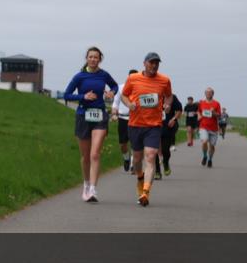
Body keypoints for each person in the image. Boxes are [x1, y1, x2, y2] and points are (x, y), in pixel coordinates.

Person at [62, 47, 119, 202]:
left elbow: (115, 86)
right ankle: (86, 184)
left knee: (95, 154)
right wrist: (83, 96)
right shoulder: (79, 76)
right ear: (86, 58)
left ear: (100, 59)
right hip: (83, 116)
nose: (93, 59)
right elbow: (66, 94)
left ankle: (93, 189)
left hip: (100, 115)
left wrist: (111, 93)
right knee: (85, 156)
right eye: (91, 57)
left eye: (96, 57)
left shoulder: (104, 75)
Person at [120, 52, 173, 206]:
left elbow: (169, 96)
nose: (154, 65)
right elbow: (124, 95)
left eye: (156, 63)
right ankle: (140, 177)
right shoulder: (133, 78)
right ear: (144, 63)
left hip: (154, 126)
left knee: (150, 157)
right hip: (135, 124)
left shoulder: (164, 80)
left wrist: (168, 104)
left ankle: (145, 192)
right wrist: (128, 104)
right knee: (137, 159)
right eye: (151, 62)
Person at [111, 68, 139, 173]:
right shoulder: (120, 88)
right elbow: (115, 103)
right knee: (123, 144)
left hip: (136, 118)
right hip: (123, 118)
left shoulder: (140, 89)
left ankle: (133, 165)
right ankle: (126, 158)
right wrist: (114, 114)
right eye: (131, 77)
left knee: (134, 142)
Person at [154, 94, 183, 178]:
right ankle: (157, 171)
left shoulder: (172, 97)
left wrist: (174, 119)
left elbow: (179, 110)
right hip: (154, 126)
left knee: (165, 150)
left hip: (168, 126)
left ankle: (165, 163)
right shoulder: (152, 96)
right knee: (154, 149)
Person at [197, 88, 223, 168]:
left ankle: (210, 159)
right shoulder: (201, 103)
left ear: (212, 94)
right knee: (204, 141)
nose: (208, 94)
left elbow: (219, 116)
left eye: (210, 93)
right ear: (205, 94)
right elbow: (198, 111)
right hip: (203, 126)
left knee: (212, 146)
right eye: (207, 92)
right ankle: (205, 156)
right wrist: (199, 115)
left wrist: (214, 112)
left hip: (214, 128)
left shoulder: (216, 103)